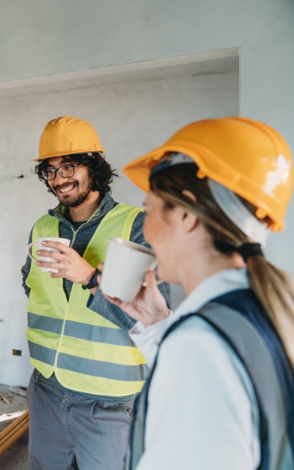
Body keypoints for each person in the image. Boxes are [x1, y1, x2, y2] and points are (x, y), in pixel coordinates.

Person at [110, 117, 294, 469]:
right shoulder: (266, 307)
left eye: (148, 210)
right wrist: (157, 322)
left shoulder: (200, 344)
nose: (145, 231)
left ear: (185, 213)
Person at [21, 116, 171, 470]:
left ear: (94, 166)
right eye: (50, 171)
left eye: (69, 166)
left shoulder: (134, 225)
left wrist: (88, 276)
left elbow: (150, 318)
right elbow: (28, 283)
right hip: (47, 389)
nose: (59, 179)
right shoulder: (43, 226)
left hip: (108, 403)